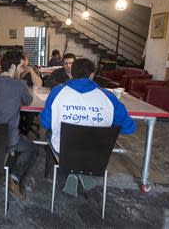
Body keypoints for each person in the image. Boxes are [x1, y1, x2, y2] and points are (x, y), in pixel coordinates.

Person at [40, 58, 136, 196]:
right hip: (96, 152)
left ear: (71, 73)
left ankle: (73, 170)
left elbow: (45, 123)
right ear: (92, 74)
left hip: (64, 149)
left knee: (50, 133)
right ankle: (80, 171)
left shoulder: (57, 92)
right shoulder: (108, 96)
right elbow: (129, 128)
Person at [0, 50, 37, 201]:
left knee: (0, 132)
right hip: (8, 139)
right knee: (32, 148)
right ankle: (14, 179)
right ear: (13, 66)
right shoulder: (19, 84)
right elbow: (28, 101)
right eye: (21, 67)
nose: (21, 71)